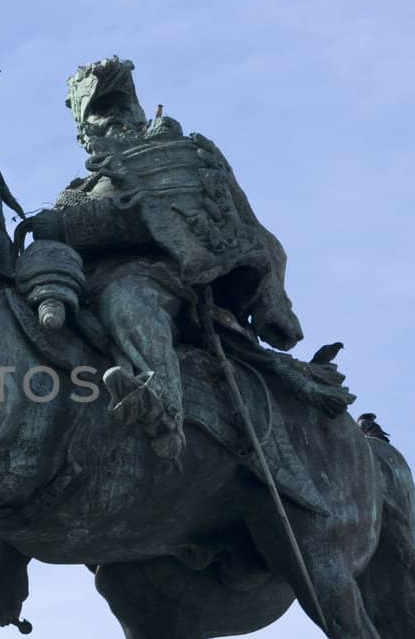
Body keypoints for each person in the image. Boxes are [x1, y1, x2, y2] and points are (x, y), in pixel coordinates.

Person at [23, 57, 304, 458]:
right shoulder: (82, 186)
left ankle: (162, 403)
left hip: (164, 279)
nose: (116, 116)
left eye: (123, 106)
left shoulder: (183, 156)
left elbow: (225, 226)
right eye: (102, 111)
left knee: (128, 301)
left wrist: (76, 224)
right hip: (84, 283)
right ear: (86, 131)